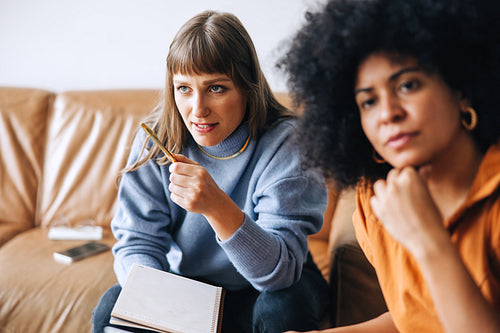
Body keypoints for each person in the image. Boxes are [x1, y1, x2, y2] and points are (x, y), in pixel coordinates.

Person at [92, 10, 330, 333]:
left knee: (281, 308)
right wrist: (158, 307)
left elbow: (278, 274)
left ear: (247, 87)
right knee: (112, 306)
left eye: (216, 88)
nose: (197, 109)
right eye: (184, 89)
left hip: (269, 285)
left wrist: (217, 207)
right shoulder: (157, 140)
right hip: (191, 287)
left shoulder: (286, 144)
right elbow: (137, 243)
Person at [280, 0, 500, 332]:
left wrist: (428, 240)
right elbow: (415, 319)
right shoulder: (376, 200)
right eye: (368, 101)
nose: (387, 113)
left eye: (407, 85)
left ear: (462, 90)